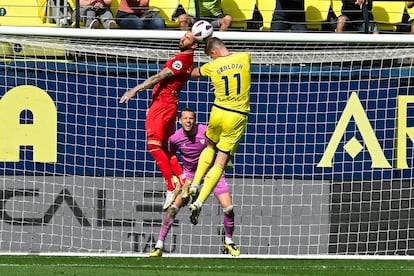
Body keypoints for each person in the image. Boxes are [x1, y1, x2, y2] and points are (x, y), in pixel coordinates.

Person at [119, 31, 199, 210]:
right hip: (166, 103)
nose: (182, 39)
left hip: (163, 104)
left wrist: (135, 90)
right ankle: (183, 178)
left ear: (194, 45)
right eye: (183, 36)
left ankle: (171, 186)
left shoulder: (183, 59)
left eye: (187, 38)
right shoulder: (186, 59)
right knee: (164, 147)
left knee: (153, 146)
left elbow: (159, 77)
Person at [149, 108, 240, 257]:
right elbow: (170, 156)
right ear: (180, 121)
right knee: (173, 208)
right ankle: (159, 245)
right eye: (185, 118)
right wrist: (176, 176)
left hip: (211, 173)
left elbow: (220, 146)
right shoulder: (174, 138)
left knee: (229, 208)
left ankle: (229, 241)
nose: (188, 121)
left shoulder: (205, 131)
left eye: (191, 118)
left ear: (195, 120)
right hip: (190, 176)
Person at [188, 37, 251, 227]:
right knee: (221, 161)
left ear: (212, 54)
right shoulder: (244, 57)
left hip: (218, 112)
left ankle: (195, 183)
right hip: (237, 116)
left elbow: (193, 73)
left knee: (209, 145)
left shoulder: (211, 67)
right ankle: (199, 201)